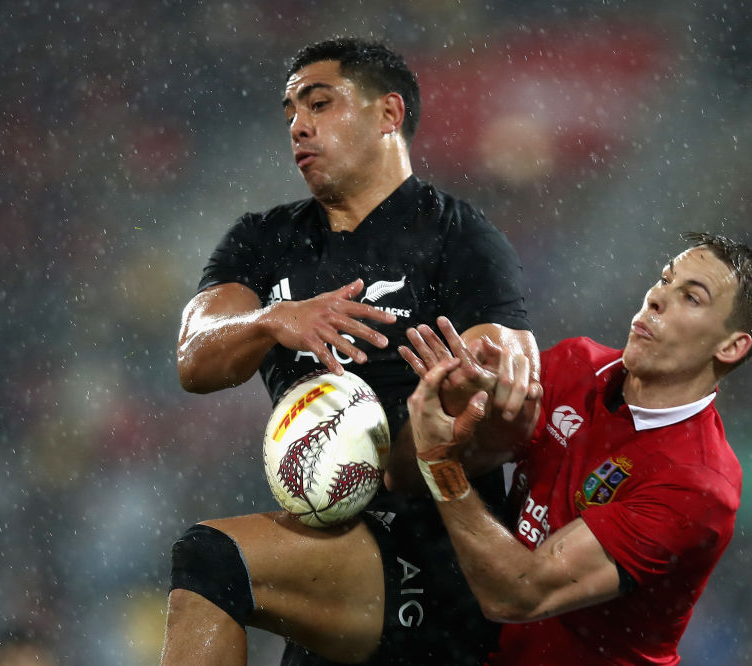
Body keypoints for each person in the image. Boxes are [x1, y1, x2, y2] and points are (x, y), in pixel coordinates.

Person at [159, 38, 538, 666]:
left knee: (211, 558)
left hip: (433, 552)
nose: (298, 126)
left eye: (319, 103)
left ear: (388, 114)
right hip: (326, 546)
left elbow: (503, 403)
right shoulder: (264, 239)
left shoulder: (459, 236)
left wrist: (452, 407)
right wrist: (274, 320)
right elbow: (194, 358)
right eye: (290, 113)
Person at [402, 232, 752, 665]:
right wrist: (467, 398)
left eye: (691, 298)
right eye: (665, 279)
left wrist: (440, 464)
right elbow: (480, 451)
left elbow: (518, 593)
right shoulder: (577, 364)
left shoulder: (697, 483)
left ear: (731, 346)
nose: (657, 298)